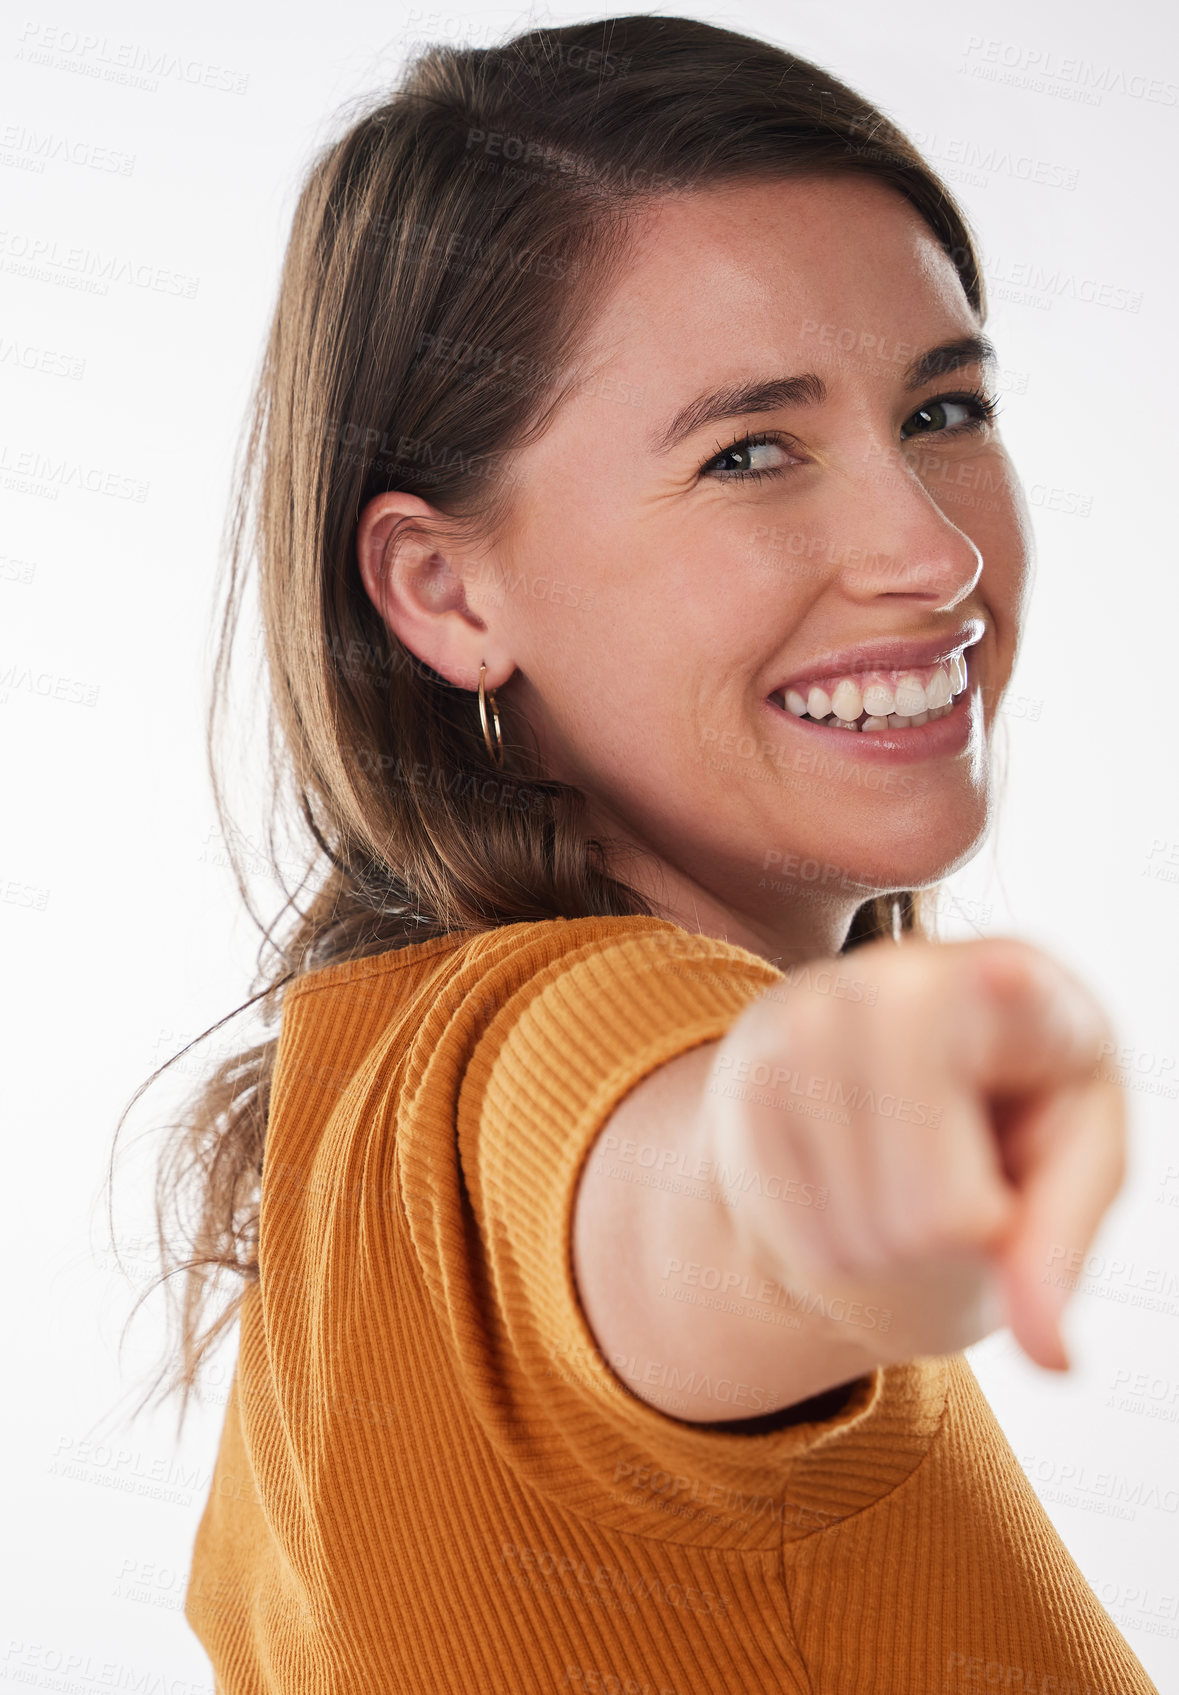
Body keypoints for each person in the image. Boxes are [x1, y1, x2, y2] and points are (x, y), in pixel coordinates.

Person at [126, 13, 1157, 1692]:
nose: (931, 549)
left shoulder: (378, 1095)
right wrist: (882, 1101)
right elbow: (705, 1183)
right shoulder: (564, 1044)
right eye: (750, 450)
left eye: (944, 406)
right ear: (447, 592)